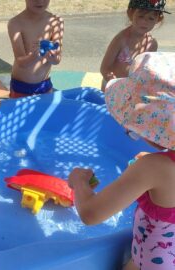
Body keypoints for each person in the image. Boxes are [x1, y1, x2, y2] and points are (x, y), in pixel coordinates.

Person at [68, 52, 175, 270]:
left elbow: (91, 214)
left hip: (153, 262)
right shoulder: (157, 168)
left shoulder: (152, 168)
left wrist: (79, 182)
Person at [100, 0, 170, 92]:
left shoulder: (152, 44)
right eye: (141, 16)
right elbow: (104, 68)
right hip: (113, 88)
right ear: (130, 13)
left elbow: (147, 70)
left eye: (151, 18)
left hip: (134, 90)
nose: (145, 21)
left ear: (158, 20)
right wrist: (116, 84)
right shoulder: (121, 40)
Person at [7, 0, 64, 98]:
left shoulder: (56, 21)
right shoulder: (15, 23)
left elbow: (57, 60)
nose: (40, 1)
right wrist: (34, 56)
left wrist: (51, 56)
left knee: (45, 112)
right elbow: (20, 62)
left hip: (44, 85)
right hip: (21, 86)